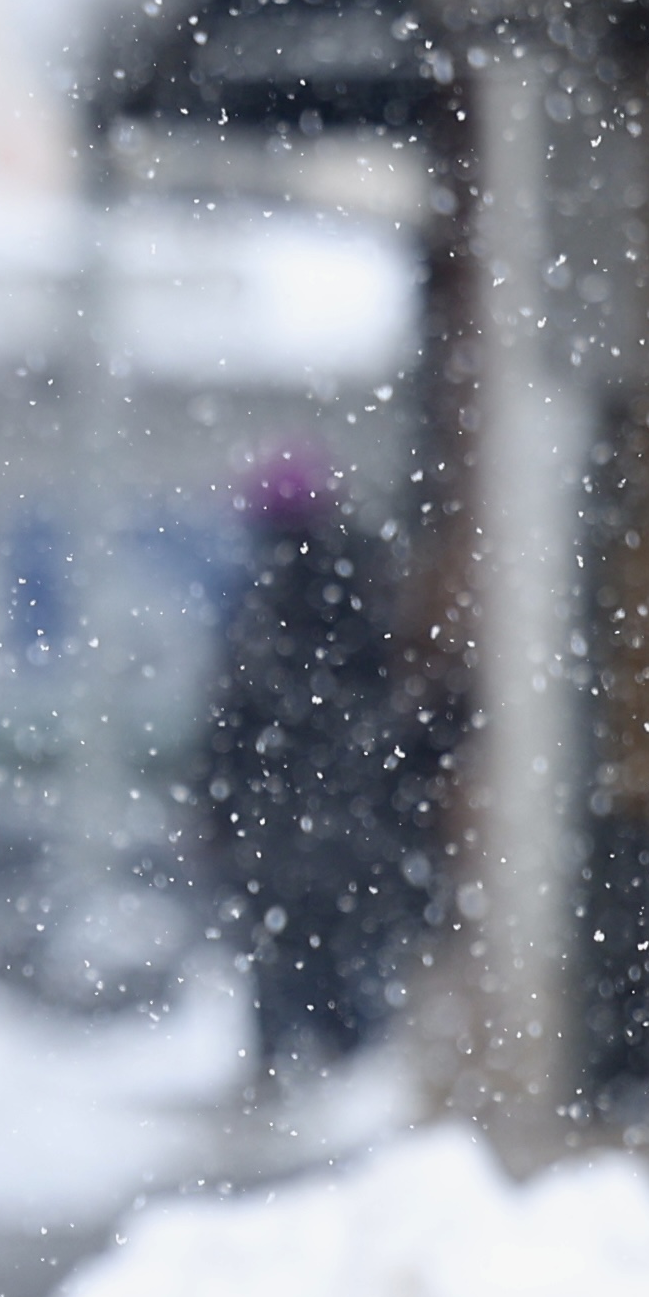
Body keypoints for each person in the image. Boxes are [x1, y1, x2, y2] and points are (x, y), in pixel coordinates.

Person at [195, 450, 422, 1078]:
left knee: (285, 959)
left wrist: (217, 808)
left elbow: (230, 720)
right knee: (350, 960)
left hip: (282, 825)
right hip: (351, 819)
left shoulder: (262, 607)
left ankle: (297, 1074)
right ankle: (349, 1079)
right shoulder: (364, 585)